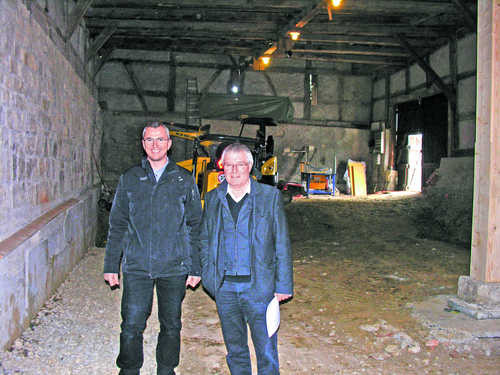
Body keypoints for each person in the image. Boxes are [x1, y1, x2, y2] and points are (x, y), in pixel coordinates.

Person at [103, 122, 202, 375]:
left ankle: (166, 369)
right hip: (137, 266)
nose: (155, 145)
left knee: (171, 324)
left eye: (160, 140)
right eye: (149, 140)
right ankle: (128, 369)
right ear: (143, 143)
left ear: (169, 144)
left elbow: (195, 225)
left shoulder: (184, 179)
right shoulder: (130, 179)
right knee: (132, 324)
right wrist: (111, 265)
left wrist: (195, 266)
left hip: (174, 267)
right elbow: (118, 224)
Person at [200, 143, 293, 375]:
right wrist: (210, 279)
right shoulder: (213, 198)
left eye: (239, 165)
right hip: (225, 289)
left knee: (266, 350)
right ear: (222, 167)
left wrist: (283, 285)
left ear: (250, 166)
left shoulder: (269, 197)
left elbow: (281, 241)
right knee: (235, 349)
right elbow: (204, 240)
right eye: (228, 165)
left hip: (259, 288)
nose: (233, 171)